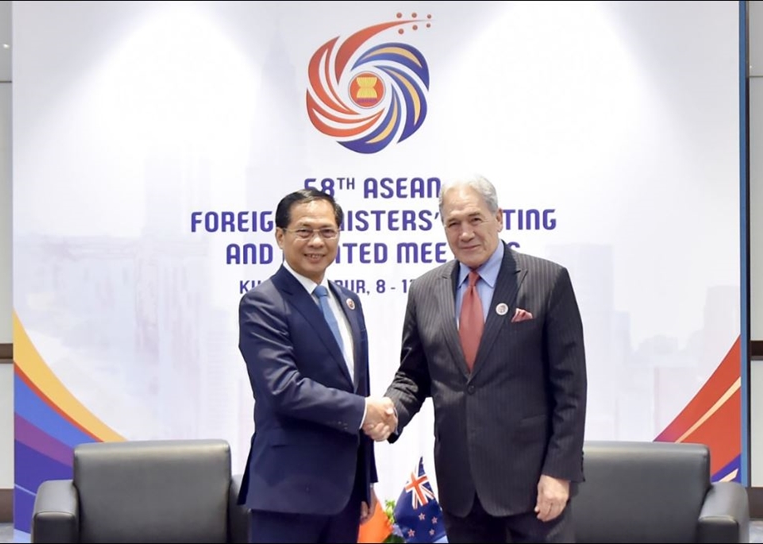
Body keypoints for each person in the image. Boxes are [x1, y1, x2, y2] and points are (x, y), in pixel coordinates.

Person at [383, 174, 588, 543]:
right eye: (453, 223)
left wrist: (560, 472)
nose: (465, 233)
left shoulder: (547, 280)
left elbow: (570, 390)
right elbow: (413, 376)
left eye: (475, 219)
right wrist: (389, 412)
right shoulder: (424, 290)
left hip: (533, 489)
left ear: (499, 218)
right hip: (461, 493)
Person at [237, 188, 396, 543]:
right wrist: (364, 409)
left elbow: (358, 386)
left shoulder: (349, 302)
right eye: (304, 231)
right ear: (280, 236)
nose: (317, 242)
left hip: (344, 495)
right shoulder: (262, 303)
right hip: (287, 492)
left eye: (327, 231)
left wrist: (365, 480)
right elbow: (282, 389)